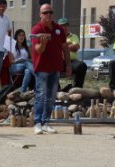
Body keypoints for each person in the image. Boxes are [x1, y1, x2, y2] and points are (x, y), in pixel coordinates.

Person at [30, 3, 71, 135]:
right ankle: (37, 123)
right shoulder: (36, 29)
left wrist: (68, 64)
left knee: (51, 96)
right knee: (40, 95)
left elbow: (65, 47)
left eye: (50, 12)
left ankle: (46, 122)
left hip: (55, 67)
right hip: (42, 68)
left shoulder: (59, 29)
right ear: (40, 14)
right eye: (45, 12)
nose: (48, 15)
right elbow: (38, 50)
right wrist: (43, 42)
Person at [58, 17, 87, 89]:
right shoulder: (56, 36)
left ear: (68, 26)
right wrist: (69, 44)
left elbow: (76, 47)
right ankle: (56, 89)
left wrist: (63, 45)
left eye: (66, 25)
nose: (64, 27)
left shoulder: (73, 36)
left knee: (82, 65)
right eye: (62, 26)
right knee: (51, 67)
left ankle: (77, 88)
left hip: (72, 61)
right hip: (59, 61)